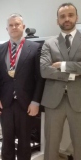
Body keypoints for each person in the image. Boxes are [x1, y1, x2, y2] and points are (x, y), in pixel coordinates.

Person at [0, 14, 44, 160]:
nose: (14, 27)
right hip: (5, 103)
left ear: (23, 26)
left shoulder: (35, 48)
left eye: (17, 24)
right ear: (6, 29)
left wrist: (35, 102)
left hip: (26, 103)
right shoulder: (1, 49)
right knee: (7, 140)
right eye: (11, 25)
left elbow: (39, 78)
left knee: (24, 141)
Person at [40, 3, 81, 160]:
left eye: (70, 15)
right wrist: (72, 74)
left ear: (76, 17)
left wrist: (62, 65)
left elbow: (53, 70)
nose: (67, 19)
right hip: (53, 101)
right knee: (50, 145)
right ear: (57, 20)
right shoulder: (49, 43)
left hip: (78, 100)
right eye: (62, 16)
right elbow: (44, 70)